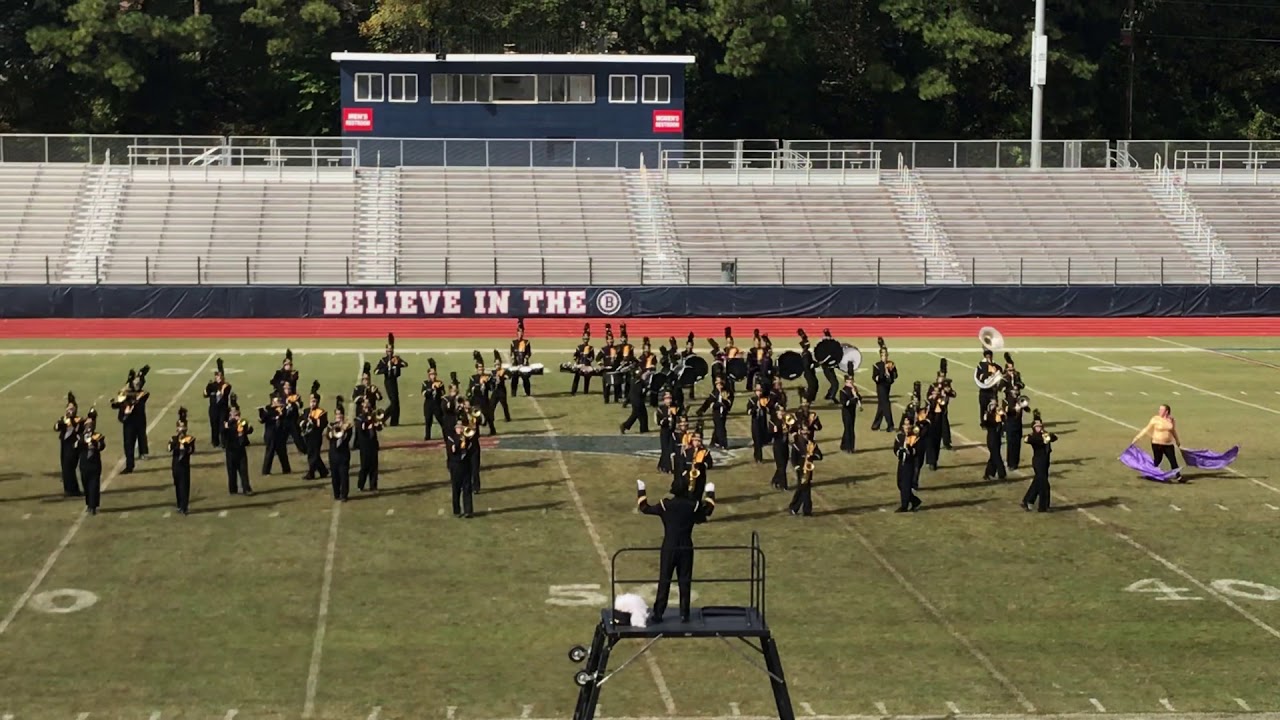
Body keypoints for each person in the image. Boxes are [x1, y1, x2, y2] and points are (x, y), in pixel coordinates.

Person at [635, 478, 716, 623]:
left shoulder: (666, 505)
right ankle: (685, 614)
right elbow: (708, 511)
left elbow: (644, 507)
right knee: (684, 580)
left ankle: (658, 613)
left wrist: (641, 489)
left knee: (664, 579)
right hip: (686, 546)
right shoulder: (693, 506)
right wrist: (710, 493)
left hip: (669, 546)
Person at [1132, 404, 1182, 479]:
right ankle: (1149, 473)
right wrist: (1137, 438)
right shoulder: (1155, 419)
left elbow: (1173, 431)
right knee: (1158, 460)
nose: (1159, 411)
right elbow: (1146, 429)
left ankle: (1178, 476)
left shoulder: (1171, 420)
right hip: (1156, 443)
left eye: (1161, 410)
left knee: (1173, 460)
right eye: (1159, 409)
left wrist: (1177, 440)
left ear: (1166, 411)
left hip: (1168, 444)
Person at [1023, 410, 1058, 512]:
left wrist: (1048, 436)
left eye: (1041, 426)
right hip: (1038, 462)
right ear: (1034, 428)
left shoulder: (1045, 434)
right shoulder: (1034, 436)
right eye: (1037, 427)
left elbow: (1054, 437)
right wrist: (1042, 438)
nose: (1040, 428)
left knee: (1037, 482)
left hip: (1045, 461)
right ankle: (1043, 507)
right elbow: (1027, 439)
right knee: (1044, 485)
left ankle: (1027, 500)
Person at [76, 409, 106, 515]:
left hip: (94, 464)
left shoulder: (98, 436)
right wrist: (84, 441)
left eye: (91, 425)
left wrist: (93, 442)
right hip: (84, 465)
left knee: (94, 485)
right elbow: (76, 446)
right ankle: (89, 503)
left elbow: (101, 446)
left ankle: (93, 506)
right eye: (87, 425)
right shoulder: (80, 436)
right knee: (86, 486)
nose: (89, 427)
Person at [375, 333, 408, 426]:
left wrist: (397, 363)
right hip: (388, 382)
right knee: (394, 402)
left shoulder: (396, 358)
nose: (389, 352)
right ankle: (383, 417)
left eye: (391, 350)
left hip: (394, 381)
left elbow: (405, 364)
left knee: (396, 402)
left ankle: (394, 422)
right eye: (388, 350)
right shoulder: (383, 360)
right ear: (386, 351)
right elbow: (376, 371)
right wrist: (386, 367)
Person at [788, 425, 823, 516]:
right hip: (800, 469)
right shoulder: (796, 444)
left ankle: (795, 508)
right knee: (804, 489)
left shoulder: (812, 444)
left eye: (807, 433)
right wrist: (796, 466)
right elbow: (793, 458)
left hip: (808, 469)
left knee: (803, 488)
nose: (806, 435)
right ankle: (804, 509)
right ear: (801, 432)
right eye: (804, 433)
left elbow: (820, 456)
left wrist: (812, 456)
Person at [222, 400, 254, 495]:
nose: (235, 415)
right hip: (231, 450)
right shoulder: (227, 424)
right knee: (231, 472)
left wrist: (245, 428)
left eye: (237, 413)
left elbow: (248, 430)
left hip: (240, 450)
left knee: (243, 470)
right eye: (233, 413)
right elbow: (223, 434)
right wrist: (228, 426)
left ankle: (246, 488)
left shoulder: (242, 423)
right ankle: (233, 489)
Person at [55, 392, 83, 497]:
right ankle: (68, 489)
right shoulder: (63, 419)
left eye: (72, 409)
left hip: (73, 445)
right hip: (64, 444)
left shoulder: (78, 420)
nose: (69, 410)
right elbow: (56, 427)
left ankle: (74, 490)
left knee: (70, 467)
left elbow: (77, 427)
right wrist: (61, 423)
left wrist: (69, 420)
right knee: (65, 467)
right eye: (68, 408)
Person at [168, 408, 196, 515]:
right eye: (180, 428)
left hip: (184, 466)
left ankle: (184, 507)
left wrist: (185, 445)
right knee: (177, 486)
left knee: (184, 486)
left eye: (183, 428)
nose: (181, 430)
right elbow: (169, 448)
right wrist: (177, 443)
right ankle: (179, 505)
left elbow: (191, 450)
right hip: (175, 466)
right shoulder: (173, 439)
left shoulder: (190, 439)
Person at [893, 416, 923, 512]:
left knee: (906, 484)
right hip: (901, 462)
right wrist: (900, 452)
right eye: (905, 424)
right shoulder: (899, 437)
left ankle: (904, 506)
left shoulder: (915, 437)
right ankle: (915, 501)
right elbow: (895, 449)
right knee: (900, 484)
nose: (906, 426)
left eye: (908, 424)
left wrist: (908, 448)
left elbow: (917, 451)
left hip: (910, 464)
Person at [327, 397, 354, 501]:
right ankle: (336, 494)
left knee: (344, 475)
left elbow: (347, 438)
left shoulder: (348, 427)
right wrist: (334, 431)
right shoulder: (331, 425)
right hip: (333, 454)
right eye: (337, 415)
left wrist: (344, 429)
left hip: (343, 454)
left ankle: (344, 495)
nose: (338, 416)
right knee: (334, 476)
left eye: (340, 415)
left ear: (343, 415)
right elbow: (328, 436)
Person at [302, 381, 329, 480]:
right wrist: (304, 422)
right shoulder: (306, 411)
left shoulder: (321, 412)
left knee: (313, 455)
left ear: (317, 402)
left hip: (316, 436)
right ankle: (323, 471)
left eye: (314, 401)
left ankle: (311, 473)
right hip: (307, 436)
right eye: (311, 401)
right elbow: (300, 420)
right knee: (313, 454)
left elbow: (323, 424)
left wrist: (313, 420)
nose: (312, 403)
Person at [448, 420, 474, 518]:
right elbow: (453, 450)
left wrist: (465, 439)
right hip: (455, 466)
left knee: (467, 488)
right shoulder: (451, 439)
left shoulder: (468, 439)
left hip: (466, 465)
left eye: (462, 427)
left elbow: (470, 449)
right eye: (459, 428)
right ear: (456, 429)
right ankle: (457, 510)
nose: (461, 429)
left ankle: (468, 511)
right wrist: (460, 440)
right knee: (456, 489)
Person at [203, 358, 231, 448]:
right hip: (213, 409)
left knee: (222, 426)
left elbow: (223, 393)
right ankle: (215, 442)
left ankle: (224, 442)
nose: (218, 377)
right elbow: (205, 394)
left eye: (219, 376)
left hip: (223, 409)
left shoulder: (226, 386)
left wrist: (221, 385)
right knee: (214, 425)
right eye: (217, 376)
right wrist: (207, 388)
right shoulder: (212, 385)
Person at [838, 372, 861, 453]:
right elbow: (845, 403)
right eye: (849, 382)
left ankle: (843, 445)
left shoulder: (854, 389)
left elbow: (859, 399)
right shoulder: (843, 391)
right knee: (849, 430)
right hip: (846, 412)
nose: (851, 383)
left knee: (849, 428)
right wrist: (854, 398)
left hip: (852, 412)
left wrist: (856, 394)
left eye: (852, 381)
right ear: (846, 382)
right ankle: (850, 447)